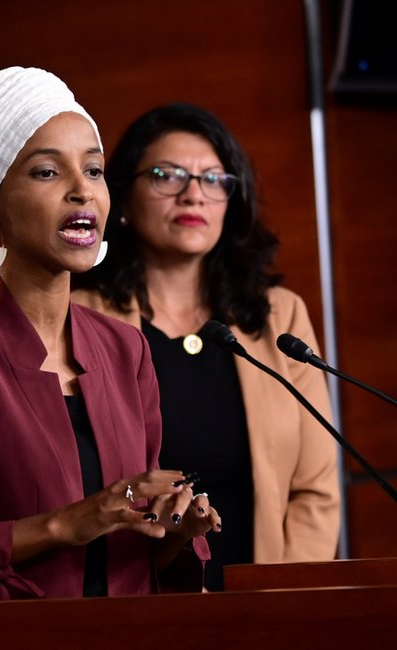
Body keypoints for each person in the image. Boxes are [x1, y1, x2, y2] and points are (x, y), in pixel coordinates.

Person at [0, 67, 219, 650]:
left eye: (94, 170)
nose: (83, 190)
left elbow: (137, 549)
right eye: (48, 171)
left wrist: (174, 530)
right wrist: (60, 525)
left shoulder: (125, 348)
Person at [72, 103, 340, 590]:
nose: (194, 194)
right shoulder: (80, 319)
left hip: (265, 597)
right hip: (133, 598)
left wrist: (283, 604)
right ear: (123, 200)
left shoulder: (278, 317)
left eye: (214, 180)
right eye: (166, 175)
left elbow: (315, 491)